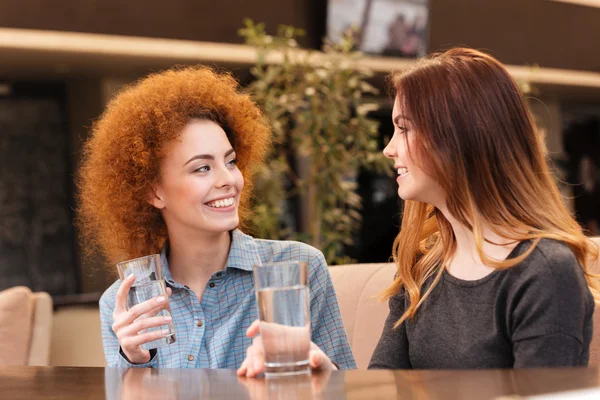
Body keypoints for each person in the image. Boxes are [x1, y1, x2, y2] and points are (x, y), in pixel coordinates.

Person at [77, 67, 355, 370]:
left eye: (231, 162)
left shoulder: (296, 268)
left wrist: (316, 368)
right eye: (202, 168)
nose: (229, 180)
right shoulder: (125, 304)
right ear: (153, 192)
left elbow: (345, 387)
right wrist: (134, 361)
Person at [369, 48, 600, 369]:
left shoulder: (543, 271)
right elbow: (383, 383)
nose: (388, 148)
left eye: (404, 128)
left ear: (457, 137)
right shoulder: (421, 265)